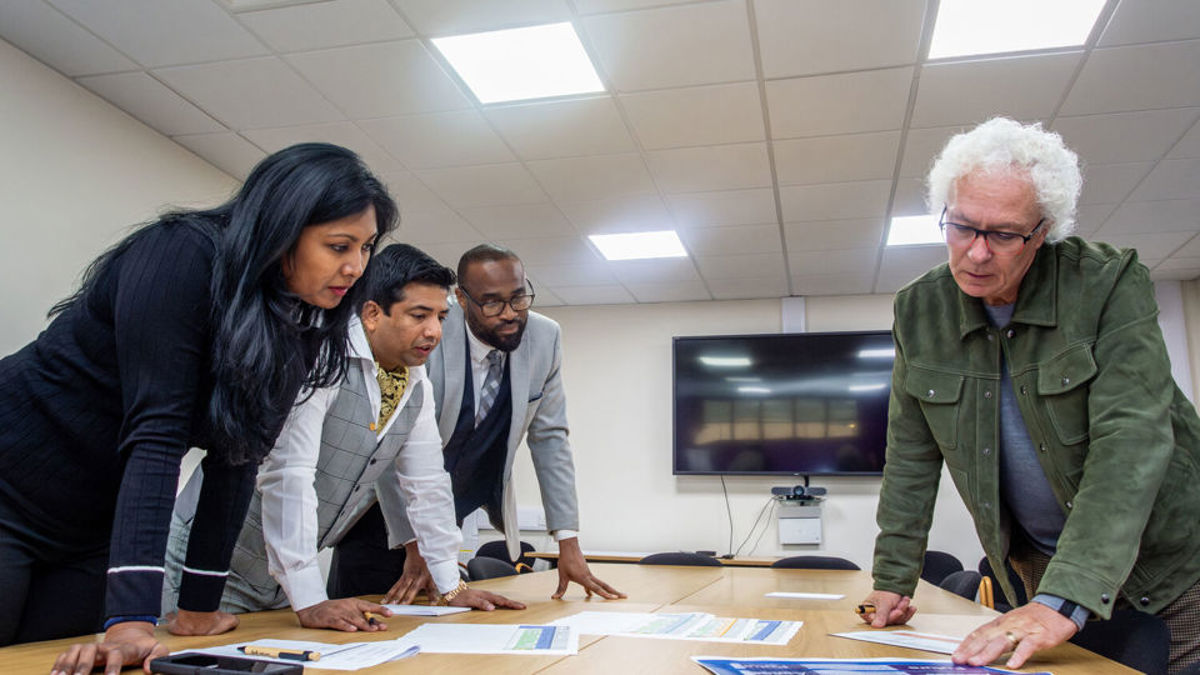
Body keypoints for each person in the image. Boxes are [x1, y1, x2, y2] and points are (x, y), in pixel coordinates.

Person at [0, 143, 396, 674]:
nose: (355, 266)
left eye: (366, 247)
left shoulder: (298, 315)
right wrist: (133, 620)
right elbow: (158, 435)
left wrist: (197, 608)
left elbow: (239, 455)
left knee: (57, 663)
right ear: (282, 228)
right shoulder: (180, 254)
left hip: (90, 522)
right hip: (12, 484)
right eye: (338, 245)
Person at [860, 117, 1200, 673]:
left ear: (1042, 233)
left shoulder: (1108, 283)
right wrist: (894, 578)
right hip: (1039, 568)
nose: (975, 253)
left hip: (1170, 570)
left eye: (1002, 234)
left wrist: (1069, 597)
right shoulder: (920, 310)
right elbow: (911, 454)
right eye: (963, 227)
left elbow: (1131, 441)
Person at [163, 244, 524, 629]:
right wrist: (311, 598)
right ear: (371, 313)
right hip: (204, 564)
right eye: (419, 315)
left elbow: (428, 485)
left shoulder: (415, 384)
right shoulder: (319, 356)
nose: (434, 332)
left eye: (440, 316)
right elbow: (288, 475)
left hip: (276, 581)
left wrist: (451, 586)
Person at [329, 244, 625, 603]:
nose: (509, 314)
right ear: (462, 300)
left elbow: (551, 440)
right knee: (364, 623)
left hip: (444, 513)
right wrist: (413, 543)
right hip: (379, 515)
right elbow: (392, 449)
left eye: (519, 298)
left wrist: (568, 541)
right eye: (492, 303)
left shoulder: (544, 338)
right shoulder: (426, 335)